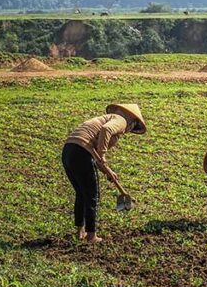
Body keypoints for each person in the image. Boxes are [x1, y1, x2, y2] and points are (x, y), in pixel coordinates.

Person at [62, 103, 146, 243]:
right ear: (131, 121)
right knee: (92, 195)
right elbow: (106, 131)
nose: (130, 130)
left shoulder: (108, 117)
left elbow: (93, 154)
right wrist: (103, 154)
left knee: (82, 193)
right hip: (81, 152)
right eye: (134, 126)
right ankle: (91, 236)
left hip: (69, 151)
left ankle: (80, 232)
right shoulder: (121, 120)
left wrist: (107, 171)